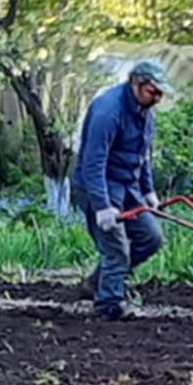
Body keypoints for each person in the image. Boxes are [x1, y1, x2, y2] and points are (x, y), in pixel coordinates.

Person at [71, 59, 173, 320]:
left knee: (152, 238)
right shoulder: (109, 111)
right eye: (153, 91)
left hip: (128, 187)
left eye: (161, 93)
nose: (158, 98)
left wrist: (149, 192)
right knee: (115, 250)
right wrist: (102, 206)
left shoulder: (144, 111)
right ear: (135, 83)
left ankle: (97, 282)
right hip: (98, 186)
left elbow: (143, 156)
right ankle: (108, 308)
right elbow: (93, 162)